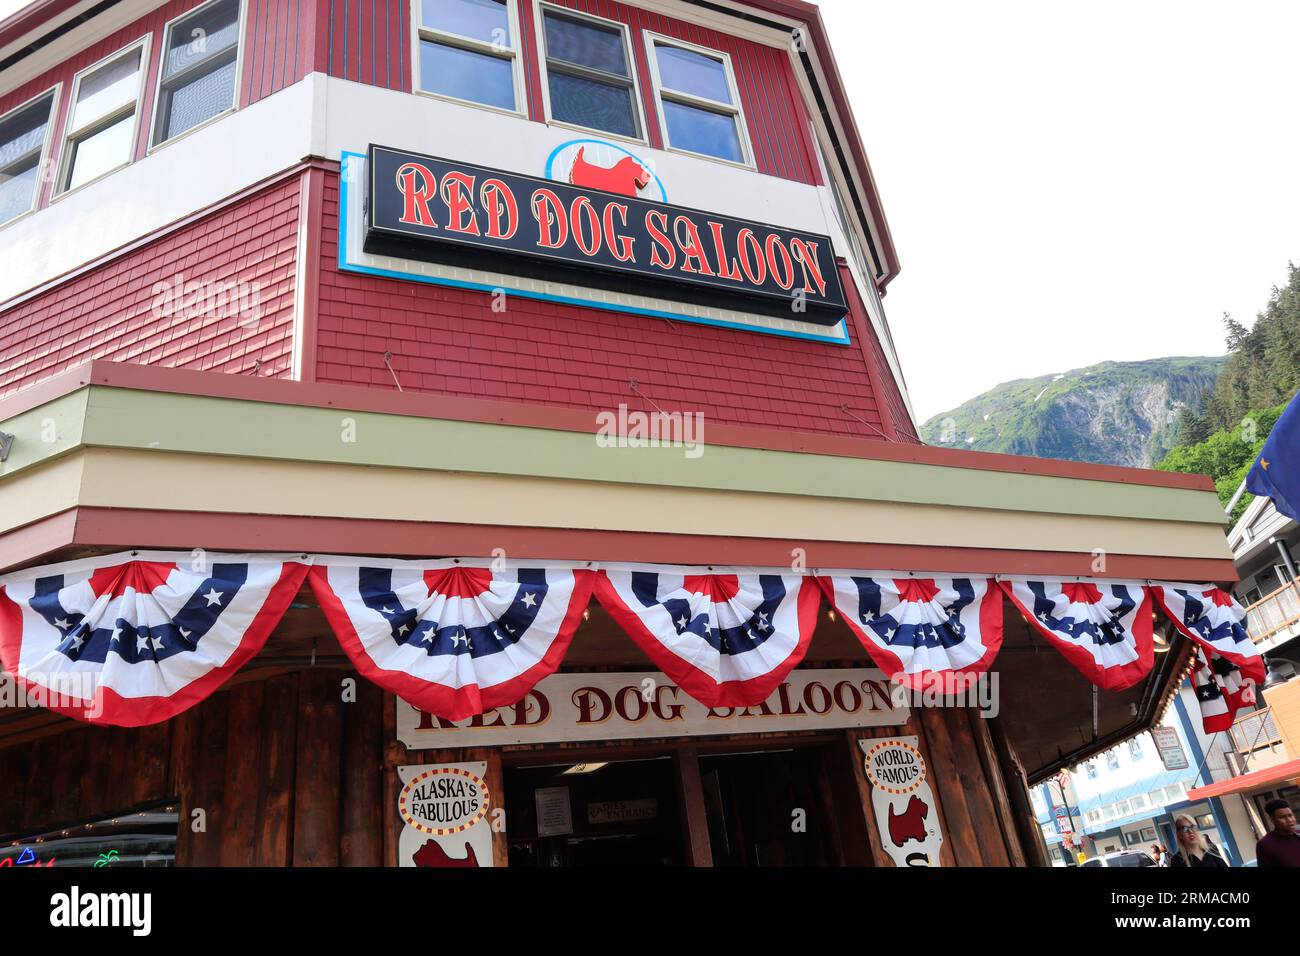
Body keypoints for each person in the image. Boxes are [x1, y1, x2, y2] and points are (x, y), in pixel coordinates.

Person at [1255, 799, 1300, 867]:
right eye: (1282, 817)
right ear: (1272, 820)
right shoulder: (1264, 845)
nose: (1290, 820)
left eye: (1290, 815)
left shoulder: (1298, 835)